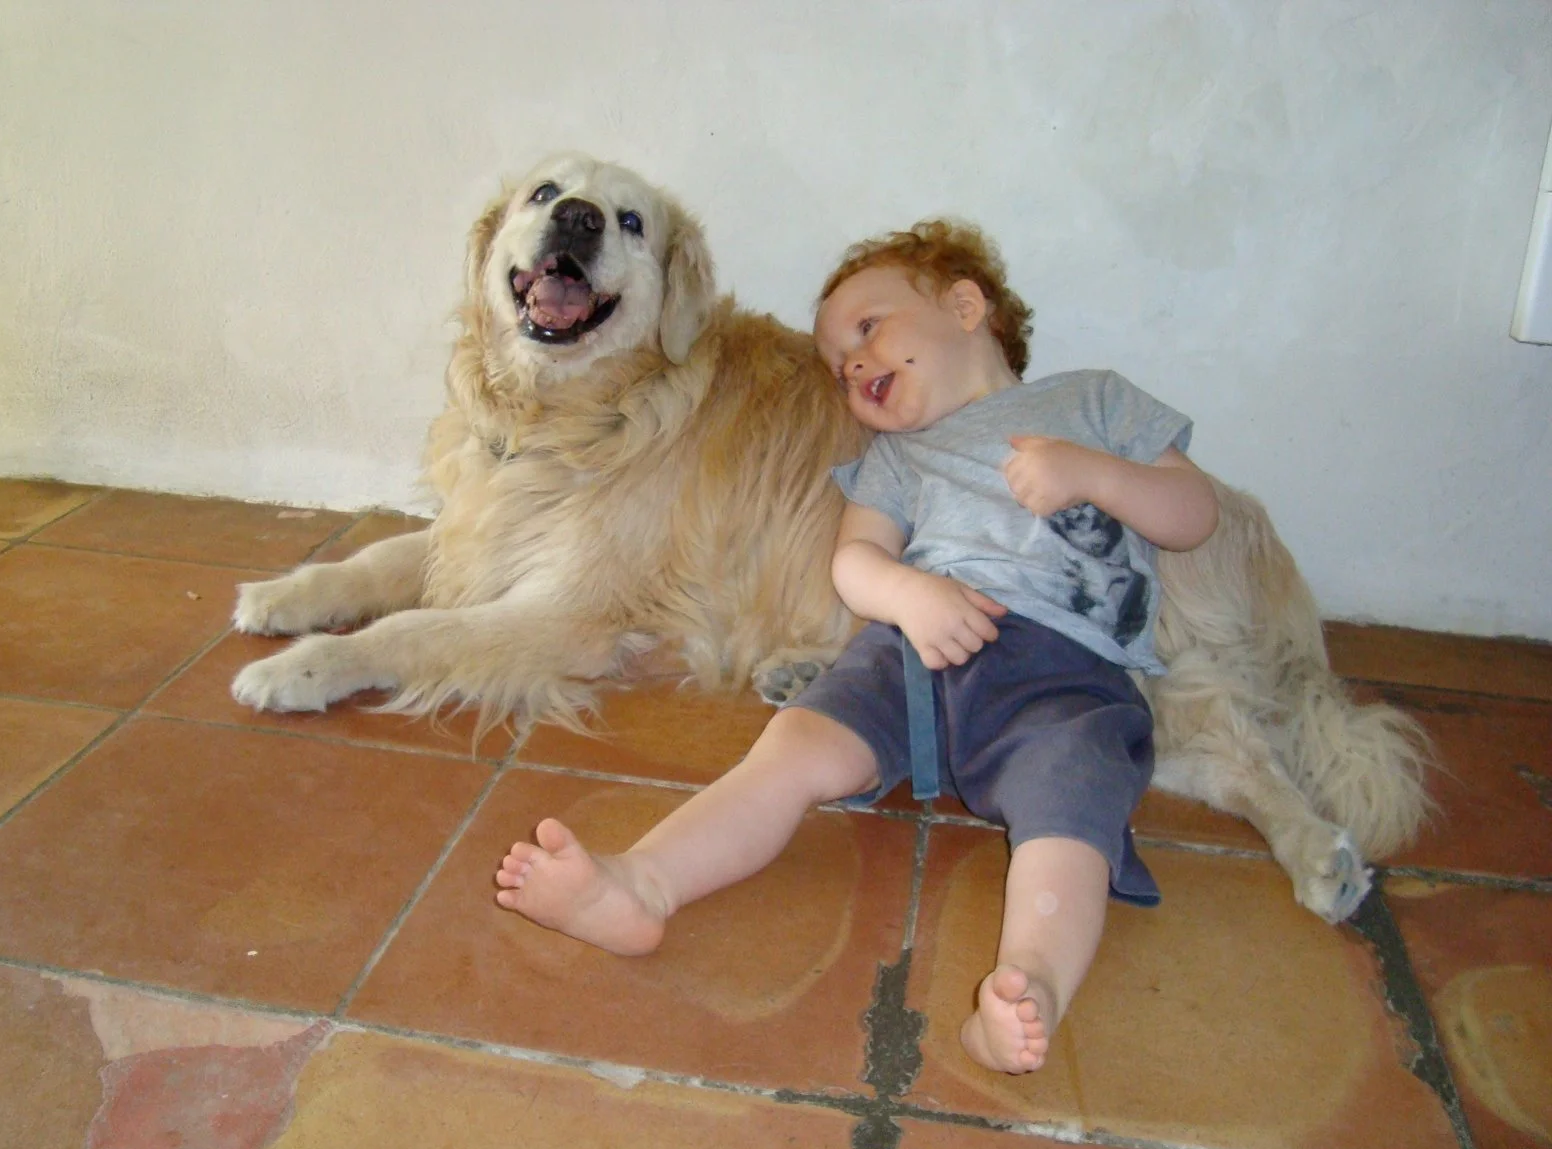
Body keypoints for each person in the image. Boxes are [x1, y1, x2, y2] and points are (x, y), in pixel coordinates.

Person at [495, 219, 1219, 1075]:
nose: (855, 367)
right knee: (792, 748)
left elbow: (1191, 512)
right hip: (914, 659)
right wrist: (910, 595)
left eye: (869, 329)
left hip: (1064, 677)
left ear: (964, 306)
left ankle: (1031, 983)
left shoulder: (1091, 401)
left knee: (1071, 808)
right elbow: (855, 562)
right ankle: (641, 885)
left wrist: (1094, 473)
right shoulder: (896, 459)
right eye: (842, 367)